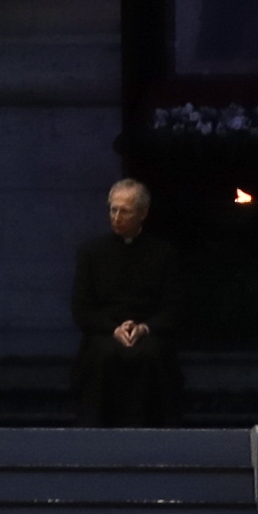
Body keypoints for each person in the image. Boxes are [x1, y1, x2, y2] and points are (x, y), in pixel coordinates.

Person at [70, 176, 187, 423]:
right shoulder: (91, 253)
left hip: (148, 332)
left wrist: (144, 328)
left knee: (152, 354)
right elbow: (81, 309)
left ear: (143, 213)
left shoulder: (163, 254)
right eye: (113, 209)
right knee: (102, 355)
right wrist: (113, 329)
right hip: (105, 332)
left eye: (125, 211)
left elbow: (173, 307)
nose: (116, 217)